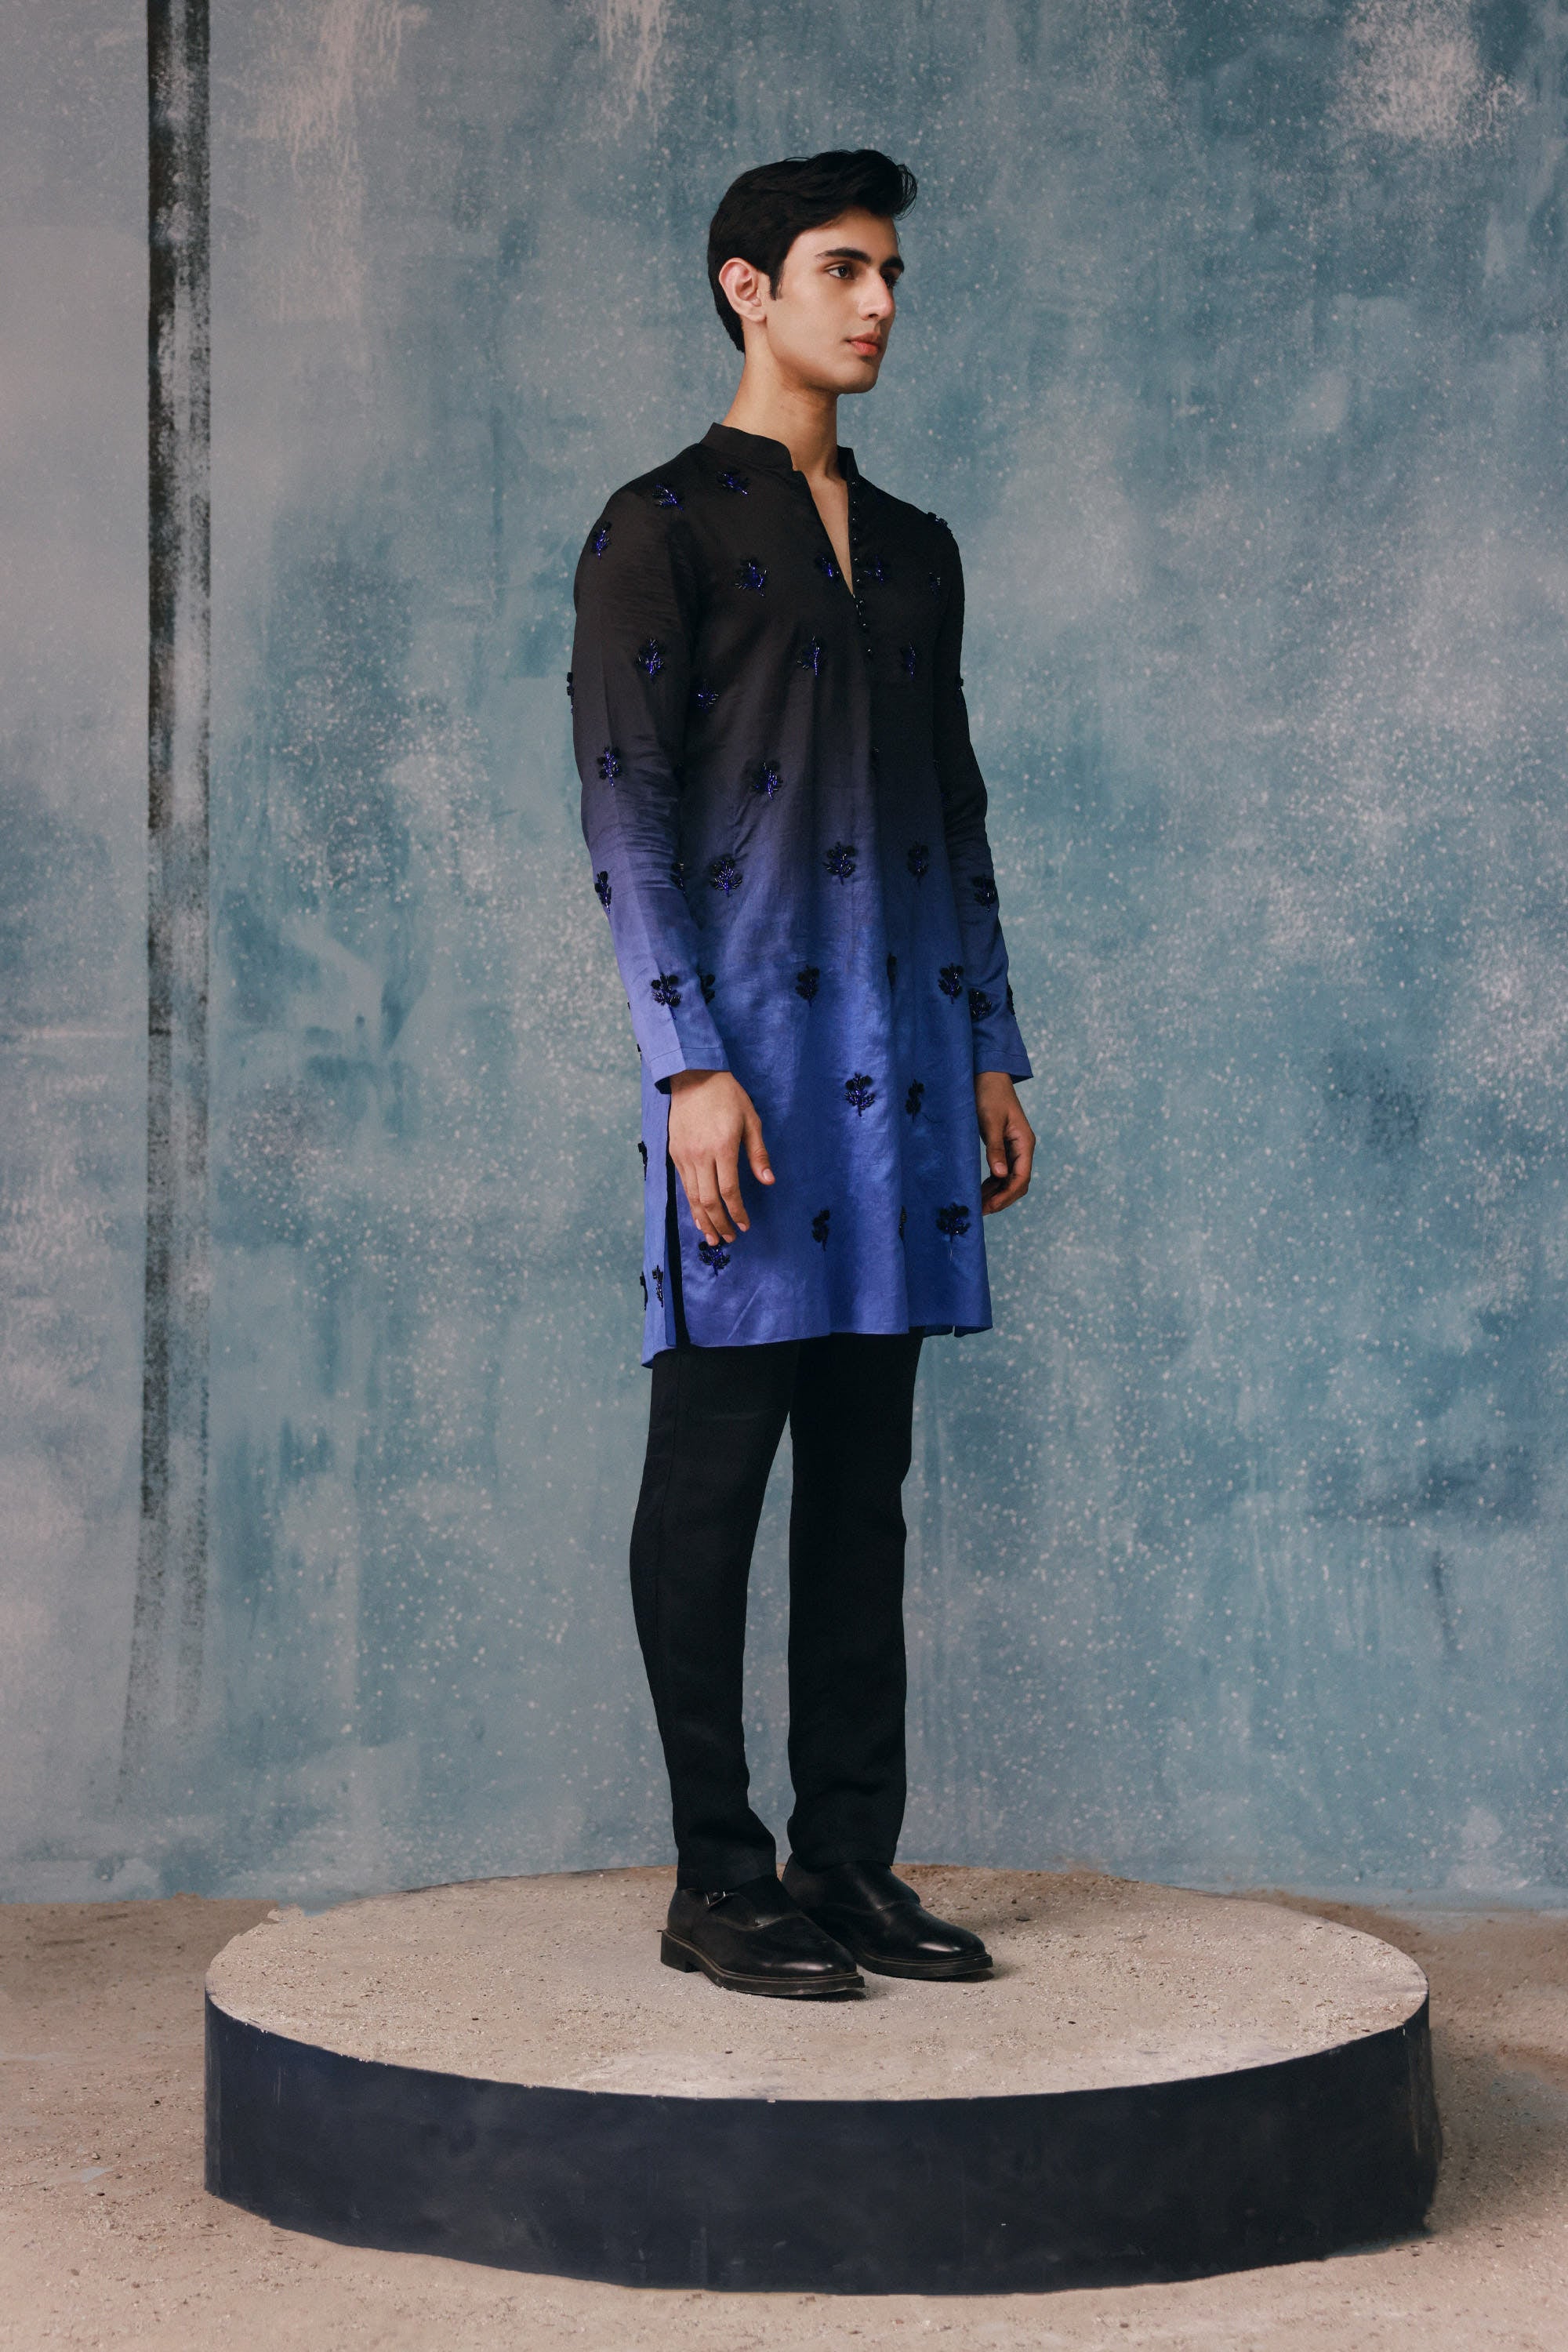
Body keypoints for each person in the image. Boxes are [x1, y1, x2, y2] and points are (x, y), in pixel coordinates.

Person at [570, 149, 1035, 1999]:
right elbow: (625, 817)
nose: (881, 303)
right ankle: (716, 1878)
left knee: (864, 1485)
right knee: (711, 1479)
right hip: (746, 1083)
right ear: (746, 288)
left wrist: (987, 1041)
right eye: (845, 269)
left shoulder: (915, 548)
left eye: (893, 273)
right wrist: (686, 1066)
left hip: (904, 1074)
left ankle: (846, 1864)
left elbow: (955, 806)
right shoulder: (661, 527)